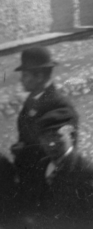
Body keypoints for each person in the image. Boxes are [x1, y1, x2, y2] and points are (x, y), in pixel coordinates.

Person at [12, 106, 93, 229]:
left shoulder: (90, 176)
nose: (51, 143)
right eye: (46, 137)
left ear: (71, 135)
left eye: (57, 135)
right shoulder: (40, 168)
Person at [10, 46, 77, 194]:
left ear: (39, 76)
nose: (21, 79)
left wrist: (24, 151)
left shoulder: (61, 108)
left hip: (50, 186)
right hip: (30, 181)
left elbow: (60, 152)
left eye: (25, 75)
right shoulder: (32, 100)